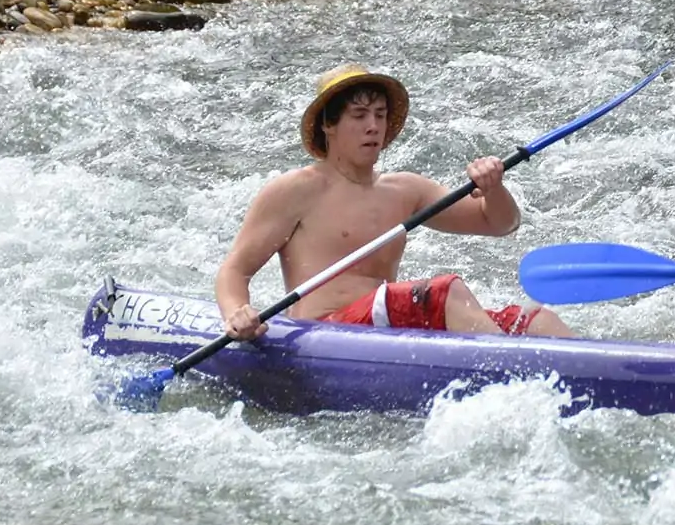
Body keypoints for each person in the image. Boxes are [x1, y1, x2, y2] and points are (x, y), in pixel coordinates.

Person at [215, 65, 574, 340]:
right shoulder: (294, 190)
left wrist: (493, 188)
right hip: (325, 332)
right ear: (329, 125)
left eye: (380, 115)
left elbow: (500, 224)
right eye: (359, 116)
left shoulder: (405, 189)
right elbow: (235, 270)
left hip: (385, 330)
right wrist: (237, 314)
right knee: (442, 292)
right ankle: (515, 377)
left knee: (536, 320)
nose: (373, 126)